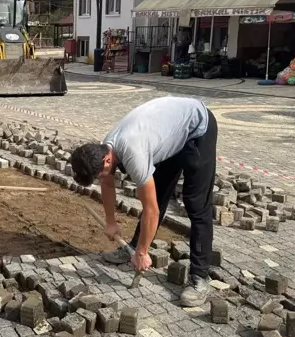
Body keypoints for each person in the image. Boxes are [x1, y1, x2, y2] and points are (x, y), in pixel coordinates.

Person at [70, 96, 218, 307]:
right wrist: (111, 221)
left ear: (107, 160)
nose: (101, 179)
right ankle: (133, 248)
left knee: (196, 204)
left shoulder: (134, 154)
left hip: (196, 130)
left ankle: (200, 277)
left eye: (99, 174)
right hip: (170, 133)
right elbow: (108, 183)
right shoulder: (106, 147)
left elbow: (151, 210)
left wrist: (143, 253)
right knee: (156, 192)